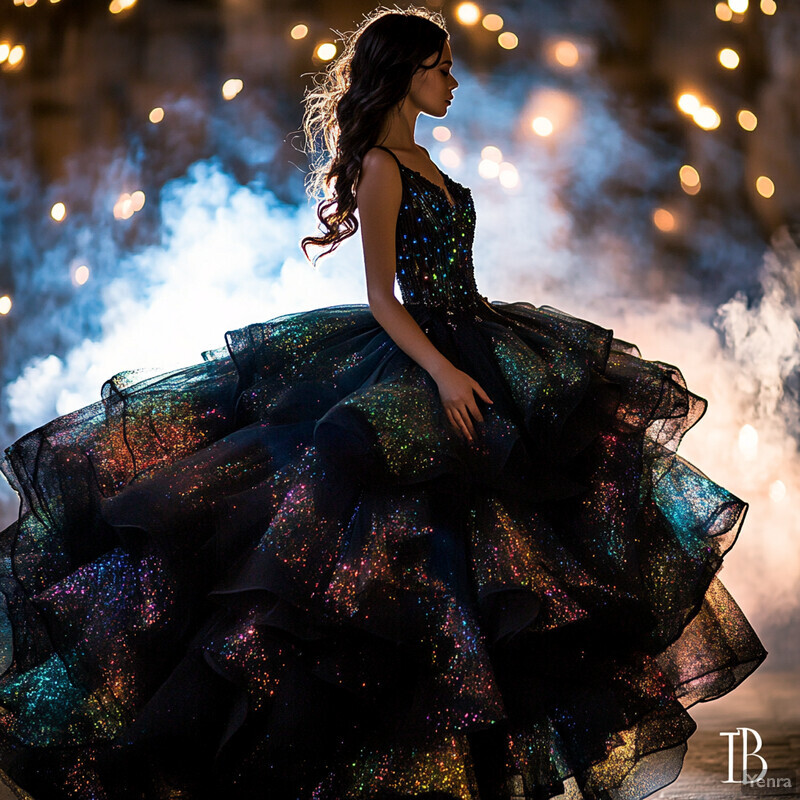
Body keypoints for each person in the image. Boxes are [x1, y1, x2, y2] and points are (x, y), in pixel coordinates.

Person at [0, 6, 767, 800]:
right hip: (420, 355)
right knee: (391, 523)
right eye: (440, 66)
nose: (454, 81)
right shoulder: (379, 167)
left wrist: (474, 361)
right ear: (404, 74)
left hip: (478, 341)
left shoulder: (426, 159)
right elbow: (381, 296)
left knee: (503, 538)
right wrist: (442, 373)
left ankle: (470, 752)